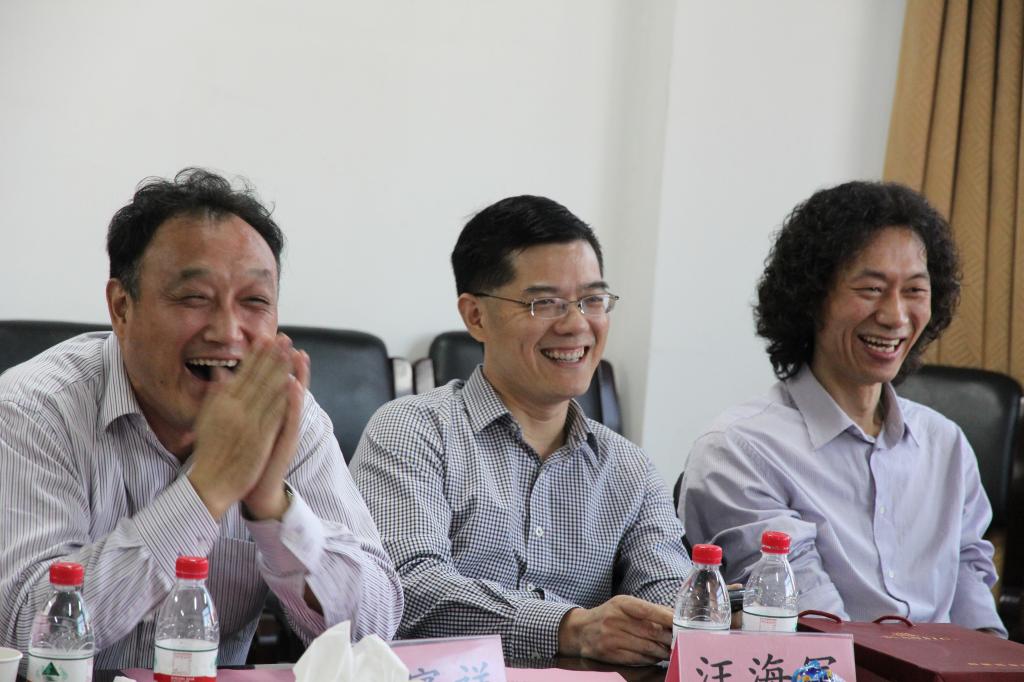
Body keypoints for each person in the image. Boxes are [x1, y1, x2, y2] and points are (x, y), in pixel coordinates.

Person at [0, 169, 403, 668]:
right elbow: (26, 627)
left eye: (254, 301)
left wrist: (271, 506)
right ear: (121, 308)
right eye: (194, 298)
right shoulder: (33, 410)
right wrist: (209, 485)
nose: (228, 331)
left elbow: (372, 631)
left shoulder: (288, 416)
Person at [351, 195, 692, 665]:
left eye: (593, 300)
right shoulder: (413, 431)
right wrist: (570, 628)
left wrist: (690, 615)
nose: (577, 324)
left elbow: (667, 589)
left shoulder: (629, 468)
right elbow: (405, 588)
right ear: (476, 316)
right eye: (544, 303)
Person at [680, 181, 1006, 635]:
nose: (895, 316)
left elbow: (971, 585)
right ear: (813, 298)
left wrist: (989, 660)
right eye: (871, 289)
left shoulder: (945, 443)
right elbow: (812, 628)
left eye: (915, 290)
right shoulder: (740, 450)